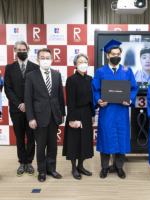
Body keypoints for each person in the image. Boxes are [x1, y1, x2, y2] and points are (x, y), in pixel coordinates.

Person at [91, 39, 139, 179]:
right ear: (107, 55)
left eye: (118, 54)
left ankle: (119, 167)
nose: (116, 56)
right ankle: (104, 168)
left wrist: (130, 99)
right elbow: (95, 89)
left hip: (122, 111)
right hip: (107, 111)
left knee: (121, 137)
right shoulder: (101, 71)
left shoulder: (127, 71)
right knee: (106, 138)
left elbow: (134, 88)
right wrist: (98, 100)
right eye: (113, 54)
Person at [25, 48, 65, 182]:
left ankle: (51, 169)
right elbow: (28, 99)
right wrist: (31, 117)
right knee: (41, 146)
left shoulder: (56, 75)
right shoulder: (31, 75)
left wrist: (62, 114)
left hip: (54, 115)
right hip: (39, 116)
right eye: (42, 58)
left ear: (52, 59)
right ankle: (41, 171)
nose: (45, 60)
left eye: (48, 58)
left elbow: (60, 96)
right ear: (37, 60)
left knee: (53, 145)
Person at [4, 41, 39, 177]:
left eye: (24, 49)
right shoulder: (9, 67)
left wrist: (28, 105)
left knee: (31, 137)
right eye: (19, 50)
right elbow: (8, 89)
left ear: (28, 51)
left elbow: (37, 89)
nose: (22, 51)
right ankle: (21, 162)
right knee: (19, 137)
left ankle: (29, 162)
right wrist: (19, 104)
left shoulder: (35, 67)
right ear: (15, 51)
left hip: (32, 110)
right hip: (16, 109)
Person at [62, 53, 95, 180]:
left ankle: (81, 166)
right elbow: (70, 101)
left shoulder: (90, 79)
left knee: (85, 141)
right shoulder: (71, 80)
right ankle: (74, 168)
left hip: (87, 113)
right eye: (80, 61)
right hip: (75, 113)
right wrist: (72, 119)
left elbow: (92, 99)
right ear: (75, 64)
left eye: (85, 61)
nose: (83, 64)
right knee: (74, 141)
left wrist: (92, 115)